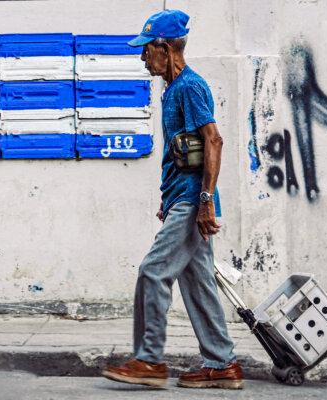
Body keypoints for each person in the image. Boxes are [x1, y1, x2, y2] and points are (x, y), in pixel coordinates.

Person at [102, 9, 243, 390]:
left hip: (192, 202)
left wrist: (204, 201)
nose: (142, 57)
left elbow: (212, 140)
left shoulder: (190, 87)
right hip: (181, 200)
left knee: (153, 270)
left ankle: (148, 360)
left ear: (165, 48)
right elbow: (183, 152)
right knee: (198, 284)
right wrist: (170, 199)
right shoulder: (171, 90)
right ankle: (222, 364)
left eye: (146, 49)